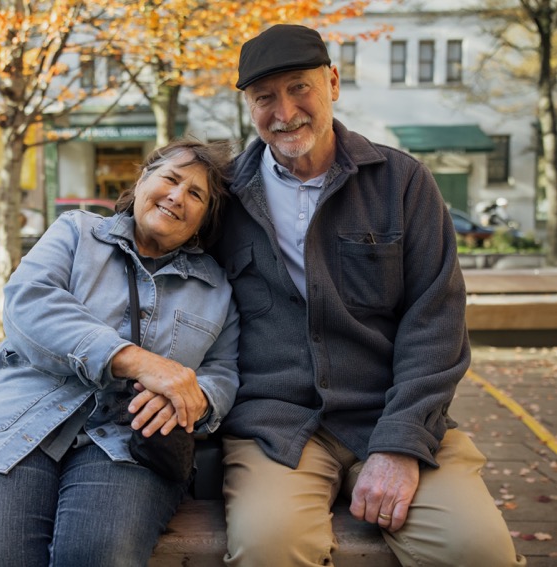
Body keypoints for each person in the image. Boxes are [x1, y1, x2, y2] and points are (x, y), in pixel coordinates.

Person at [211, 24, 525, 567]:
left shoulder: (403, 183)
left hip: (395, 413)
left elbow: (436, 321)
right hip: (276, 428)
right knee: (269, 547)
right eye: (265, 97)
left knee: (476, 550)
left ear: (332, 82)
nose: (284, 112)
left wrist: (401, 444)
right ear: (248, 106)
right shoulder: (223, 196)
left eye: (299, 87)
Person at [0, 139, 240, 567]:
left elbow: (222, 370)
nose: (177, 196)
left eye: (196, 194)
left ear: (204, 220)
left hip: (129, 445)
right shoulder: (76, 233)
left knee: (99, 558)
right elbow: (28, 303)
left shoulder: (217, 289)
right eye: (170, 179)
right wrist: (138, 361)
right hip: (14, 425)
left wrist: (193, 396)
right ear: (142, 180)